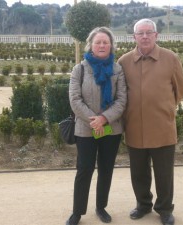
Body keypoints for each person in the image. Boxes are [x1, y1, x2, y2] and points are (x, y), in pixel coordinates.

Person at [118, 19, 183, 225]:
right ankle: (143, 204)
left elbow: (180, 89)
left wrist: (164, 109)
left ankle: (165, 209)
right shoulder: (124, 62)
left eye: (149, 32)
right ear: (134, 37)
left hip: (162, 127)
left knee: (164, 173)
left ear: (156, 35)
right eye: (141, 33)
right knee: (138, 172)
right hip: (134, 127)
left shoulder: (170, 58)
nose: (145, 36)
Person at [66, 27, 127, 225]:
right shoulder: (80, 69)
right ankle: (77, 212)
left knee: (106, 169)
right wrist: (95, 120)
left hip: (111, 128)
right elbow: (75, 100)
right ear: (90, 45)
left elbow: (121, 100)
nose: (102, 45)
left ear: (111, 45)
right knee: (84, 169)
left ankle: (101, 207)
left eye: (105, 42)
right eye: (98, 42)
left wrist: (104, 119)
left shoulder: (118, 70)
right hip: (85, 128)